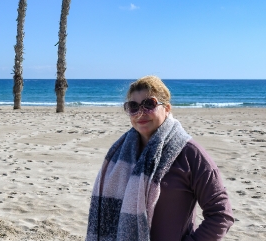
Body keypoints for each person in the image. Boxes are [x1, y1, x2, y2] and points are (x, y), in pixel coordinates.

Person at [86, 76, 234, 241]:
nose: (141, 113)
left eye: (149, 104)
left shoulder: (190, 154)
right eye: (133, 106)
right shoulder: (119, 155)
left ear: (167, 108)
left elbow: (221, 214)